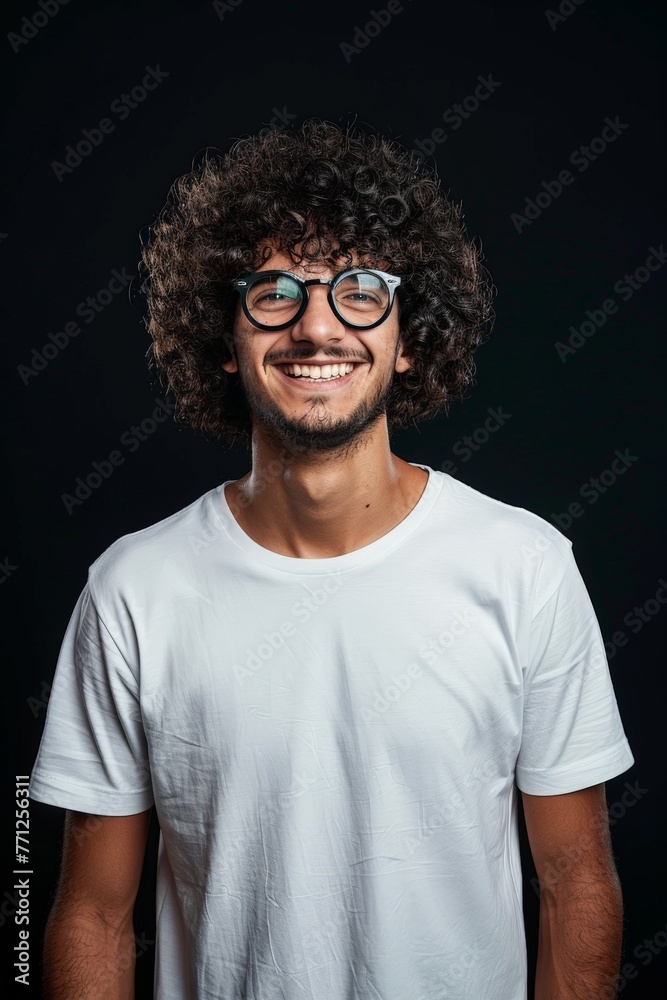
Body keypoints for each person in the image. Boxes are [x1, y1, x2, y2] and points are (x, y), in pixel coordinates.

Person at [30, 117, 634, 1000]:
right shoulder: (133, 589)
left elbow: (577, 884)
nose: (317, 327)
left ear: (409, 335)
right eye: (274, 292)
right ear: (225, 340)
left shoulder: (525, 568)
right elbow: (91, 912)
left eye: (359, 291)